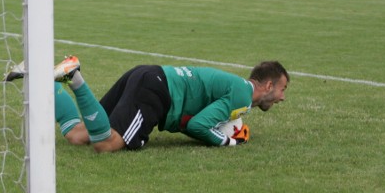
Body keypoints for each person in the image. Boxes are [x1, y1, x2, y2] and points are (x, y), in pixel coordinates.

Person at [43, 56, 289, 152]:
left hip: (148, 75)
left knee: (78, 136)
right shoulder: (242, 98)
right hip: (157, 89)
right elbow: (198, 125)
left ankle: (45, 83)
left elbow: (197, 119)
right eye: (282, 89)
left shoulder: (236, 88)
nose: (282, 97)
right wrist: (228, 141)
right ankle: (74, 78)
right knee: (105, 144)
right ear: (268, 86)